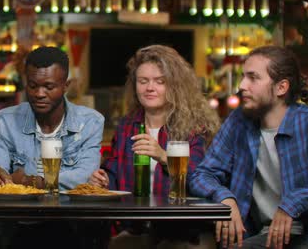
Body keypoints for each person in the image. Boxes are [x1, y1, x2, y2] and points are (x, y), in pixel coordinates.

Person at [190, 45, 308, 249]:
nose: (241, 86)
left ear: (281, 87)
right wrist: (225, 197)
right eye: (243, 77)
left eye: (253, 78)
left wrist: (295, 202)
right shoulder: (238, 121)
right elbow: (202, 174)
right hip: (259, 235)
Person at [87, 45, 220, 249]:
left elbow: (200, 180)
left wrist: (164, 156)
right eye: (143, 81)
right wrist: (103, 181)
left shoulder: (195, 127)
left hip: (182, 230)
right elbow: (114, 173)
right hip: (137, 227)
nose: (150, 88)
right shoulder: (127, 125)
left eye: (160, 81)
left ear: (175, 86)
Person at [0, 46, 105, 249]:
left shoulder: (91, 122)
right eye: (32, 86)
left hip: (72, 224)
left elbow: (85, 177)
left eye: (49, 87)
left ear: (65, 85)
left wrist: (30, 181)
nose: (39, 93)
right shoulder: (5, 120)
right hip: (18, 225)